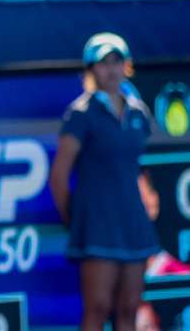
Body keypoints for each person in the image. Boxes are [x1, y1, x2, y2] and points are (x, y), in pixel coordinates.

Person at [49, 32, 159, 331]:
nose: (111, 70)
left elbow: (139, 167)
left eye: (117, 62)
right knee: (97, 308)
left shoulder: (139, 113)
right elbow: (58, 176)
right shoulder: (81, 114)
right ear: (91, 70)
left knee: (129, 309)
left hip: (133, 225)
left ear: (126, 66)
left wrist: (146, 199)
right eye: (103, 63)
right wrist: (76, 221)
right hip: (97, 227)